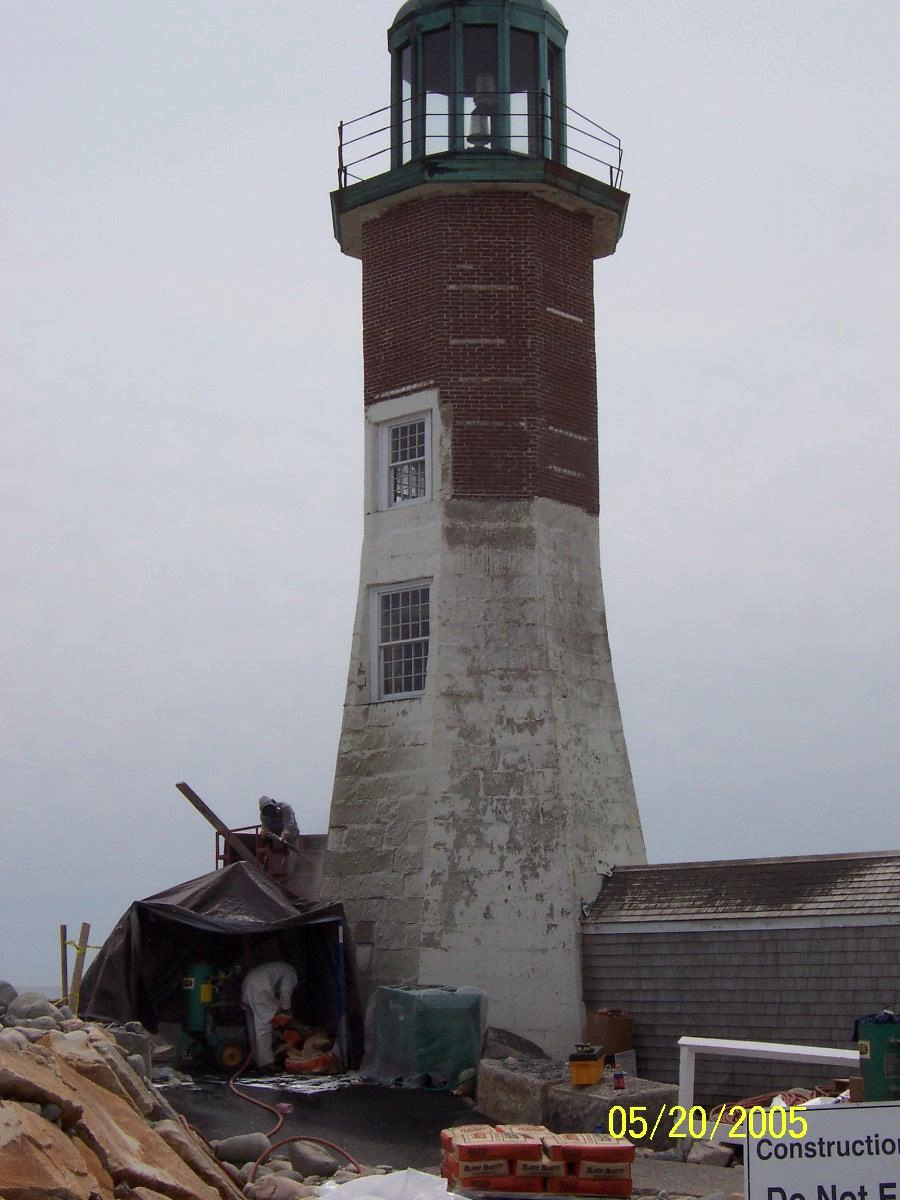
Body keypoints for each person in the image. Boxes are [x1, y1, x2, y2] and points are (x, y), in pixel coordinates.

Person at [240, 959, 298, 1070]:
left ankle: (255, 1058)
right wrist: (287, 1012)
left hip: (249, 981)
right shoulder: (291, 973)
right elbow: (285, 993)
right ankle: (266, 1063)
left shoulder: (282, 967)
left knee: (252, 1023)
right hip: (260, 985)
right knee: (263, 1025)